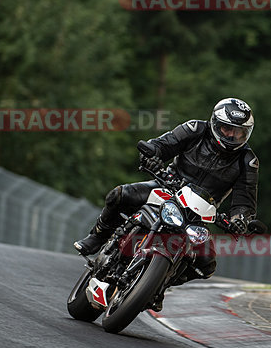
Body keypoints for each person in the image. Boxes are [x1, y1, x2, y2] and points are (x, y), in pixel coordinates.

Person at [74, 97, 260, 310]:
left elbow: (245, 201)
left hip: (200, 212)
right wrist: (152, 154)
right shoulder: (195, 129)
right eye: (227, 129)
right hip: (168, 186)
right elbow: (164, 144)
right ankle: (98, 236)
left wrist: (240, 220)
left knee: (205, 265)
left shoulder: (248, 161)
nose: (232, 135)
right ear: (216, 124)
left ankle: (159, 284)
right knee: (120, 195)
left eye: (239, 132)